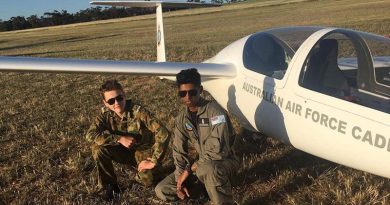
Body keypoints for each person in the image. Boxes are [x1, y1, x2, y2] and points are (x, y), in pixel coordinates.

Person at [155, 68, 240, 205]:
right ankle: (202, 189)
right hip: (200, 165)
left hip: (224, 162)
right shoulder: (182, 118)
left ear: (200, 90)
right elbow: (178, 150)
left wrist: (188, 171)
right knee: (161, 189)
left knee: (209, 169)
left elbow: (217, 152)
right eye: (183, 93)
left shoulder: (215, 112)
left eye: (192, 92)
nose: (187, 97)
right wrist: (179, 181)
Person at [86, 79, 170, 201]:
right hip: (123, 151)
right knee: (98, 149)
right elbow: (90, 135)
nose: (116, 103)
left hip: (144, 152)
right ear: (105, 103)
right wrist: (119, 139)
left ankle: (144, 173)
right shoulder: (105, 115)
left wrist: (154, 160)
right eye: (111, 101)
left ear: (124, 95)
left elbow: (163, 132)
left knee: (148, 180)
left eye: (119, 98)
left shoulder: (138, 112)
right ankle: (111, 186)